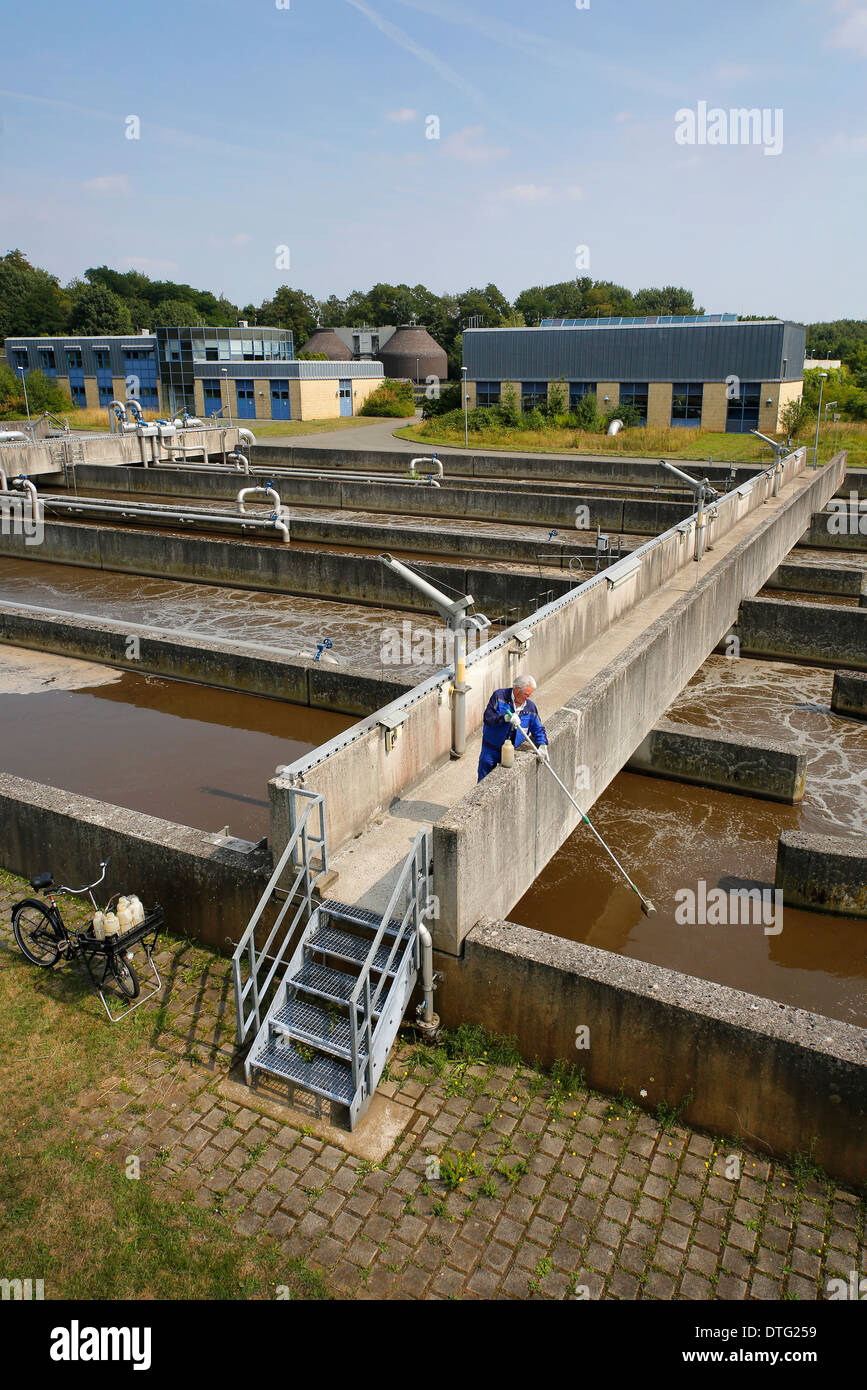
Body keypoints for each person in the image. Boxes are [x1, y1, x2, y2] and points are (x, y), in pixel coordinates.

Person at [477, 675, 549, 782]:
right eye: (526, 694)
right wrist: (505, 718)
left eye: (529, 695)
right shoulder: (499, 696)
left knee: (506, 782)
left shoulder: (530, 708)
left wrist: (542, 745)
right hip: (491, 749)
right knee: (484, 781)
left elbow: (538, 728)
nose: (528, 698)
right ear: (516, 689)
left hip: (511, 752)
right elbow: (488, 718)